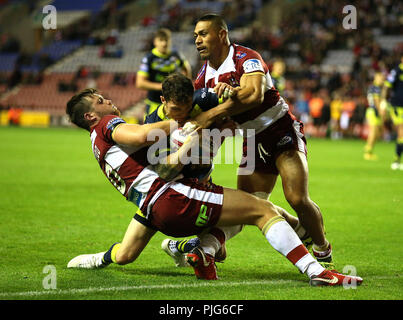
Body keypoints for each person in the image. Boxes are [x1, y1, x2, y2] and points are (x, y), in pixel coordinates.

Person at [64, 84, 362, 287]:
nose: (108, 101)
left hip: (156, 204)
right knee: (262, 210)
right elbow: (146, 138)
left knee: (130, 255)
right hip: (172, 196)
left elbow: (166, 159)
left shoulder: (97, 143)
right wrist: (188, 127)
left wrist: (208, 130)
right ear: (91, 116)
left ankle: (187, 251)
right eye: (100, 101)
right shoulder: (111, 125)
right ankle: (316, 271)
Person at [190, 13, 335, 269]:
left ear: (221, 34)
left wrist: (219, 106)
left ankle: (322, 248)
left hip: (280, 130)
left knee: (297, 198)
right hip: (251, 140)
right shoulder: (202, 78)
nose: (198, 40)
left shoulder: (246, 57)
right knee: (249, 204)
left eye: (203, 34)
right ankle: (209, 248)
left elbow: (255, 94)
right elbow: (202, 119)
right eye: (195, 36)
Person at [136, 28, 192, 118]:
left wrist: (185, 83)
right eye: (161, 40)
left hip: (174, 104)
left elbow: (186, 68)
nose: (164, 43)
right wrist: (165, 86)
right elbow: (140, 83)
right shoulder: (149, 58)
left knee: (174, 130)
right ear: (155, 42)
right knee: (152, 131)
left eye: (166, 40)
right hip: (154, 103)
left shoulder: (176, 55)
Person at [382, 55, 403, 170]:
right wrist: (384, 101)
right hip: (398, 106)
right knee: (401, 132)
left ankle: (397, 160)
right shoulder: (396, 71)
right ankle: (396, 160)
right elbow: (386, 86)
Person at [364, 72, 385, 160]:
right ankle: (368, 152)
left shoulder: (372, 87)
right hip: (374, 111)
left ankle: (368, 148)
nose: (382, 80)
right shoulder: (376, 88)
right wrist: (380, 111)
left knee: (376, 133)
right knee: (373, 132)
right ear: (376, 78)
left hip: (371, 110)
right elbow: (376, 100)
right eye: (381, 78)